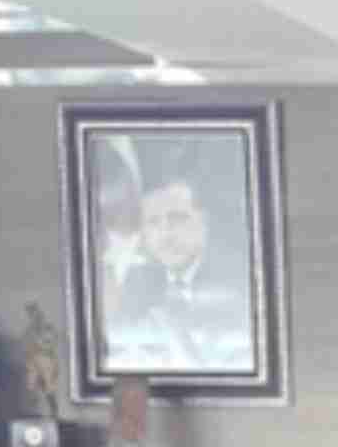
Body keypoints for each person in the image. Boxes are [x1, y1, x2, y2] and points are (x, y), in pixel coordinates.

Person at [104, 154, 253, 371]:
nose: (165, 234)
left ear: (204, 223)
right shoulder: (137, 282)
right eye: (153, 222)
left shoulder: (238, 280)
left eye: (177, 219)